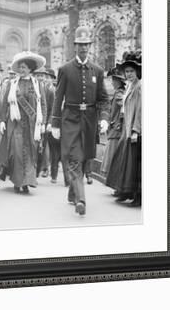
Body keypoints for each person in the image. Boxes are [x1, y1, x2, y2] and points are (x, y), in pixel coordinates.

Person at [51, 26, 109, 216]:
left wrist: (104, 118)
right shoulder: (65, 70)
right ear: (75, 46)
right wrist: (55, 123)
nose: (83, 48)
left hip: (90, 121)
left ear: (89, 46)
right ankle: (80, 200)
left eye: (86, 45)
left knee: (84, 160)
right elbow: (58, 98)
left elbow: (103, 99)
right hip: (71, 120)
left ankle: (71, 193)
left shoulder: (98, 71)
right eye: (80, 45)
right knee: (75, 158)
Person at [0, 52, 47, 194]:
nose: (21, 70)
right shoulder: (12, 84)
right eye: (20, 67)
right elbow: (4, 104)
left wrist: (43, 123)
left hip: (31, 126)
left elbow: (42, 104)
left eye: (24, 67)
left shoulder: (37, 84)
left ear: (30, 69)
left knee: (31, 153)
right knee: (16, 153)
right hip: (16, 124)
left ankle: (27, 182)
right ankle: (18, 182)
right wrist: (1, 121)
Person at [106, 51, 142, 207]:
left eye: (131, 71)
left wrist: (136, 130)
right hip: (126, 129)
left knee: (136, 166)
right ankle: (125, 191)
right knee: (125, 162)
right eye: (126, 71)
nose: (128, 74)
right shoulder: (130, 87)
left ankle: (138, 196)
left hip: (135, 131)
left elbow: (140, 110)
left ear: (137, 72)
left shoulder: (139, 87)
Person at [101, 65, 126, 185]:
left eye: (114, 80)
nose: (112, 82)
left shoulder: (120, 94)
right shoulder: (117, 93)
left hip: (117, 128)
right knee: (112, 155)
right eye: (112, 80)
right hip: (114, 127)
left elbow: (122, 111)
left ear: (119, 81)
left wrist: (117, 124)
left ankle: (115, 182)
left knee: (113, 156)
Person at [44, 68, 63, 184]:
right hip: (50, 123)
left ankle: (55, 173)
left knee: (57, 150)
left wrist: (51, 122)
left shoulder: (54, 91)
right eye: (46, 77)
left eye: (49, 77)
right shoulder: (44, 89)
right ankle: (53, 174)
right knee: (52, 150)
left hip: (58, 123)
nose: (46, 79)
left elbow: (55, 109)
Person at [33, 66, 52, 179]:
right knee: (34, 146)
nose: (40, 78)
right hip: (34, 121)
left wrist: (48, 122)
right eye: (37, 75)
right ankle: (36, 168)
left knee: (43, 146)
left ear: (45, 77)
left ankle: (45, 168)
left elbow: (52, 107)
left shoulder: (49, 90)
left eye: (42, 75)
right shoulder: (33, 87)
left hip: (44, 121)